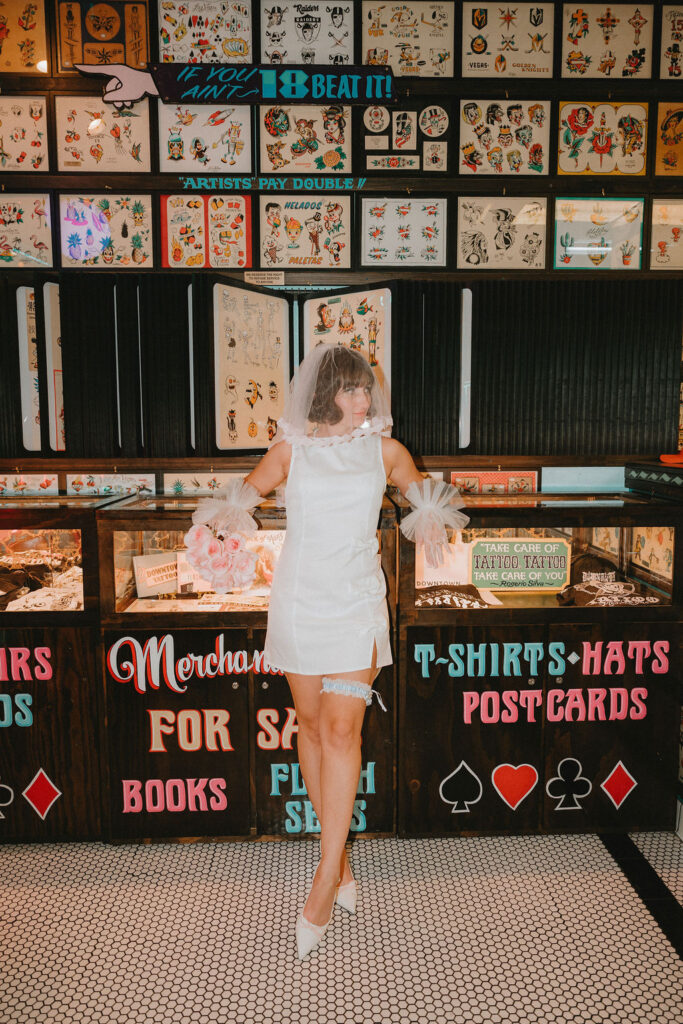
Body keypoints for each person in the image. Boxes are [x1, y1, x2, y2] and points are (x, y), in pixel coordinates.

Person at [187, 344, 468, 958]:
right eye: (352, 389)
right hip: (297, 601)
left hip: (357, 603)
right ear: (325, 394)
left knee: (343, 733)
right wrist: (216, 531)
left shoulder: (386, 452)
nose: (365, 399)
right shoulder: (291, 451)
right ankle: (339, 862)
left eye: (367, 389)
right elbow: (245, 498)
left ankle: (322, 880)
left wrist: (433, 520)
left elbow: (425, 503)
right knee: (310, 728)